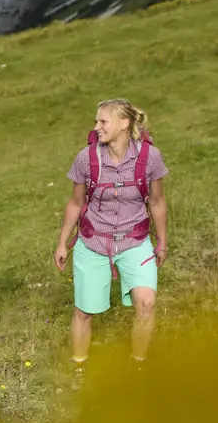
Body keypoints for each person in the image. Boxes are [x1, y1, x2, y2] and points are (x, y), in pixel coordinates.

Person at [53, 98, 169, 376]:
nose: (97, 127)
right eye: (97, 121)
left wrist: (162, 241)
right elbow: (75, 202)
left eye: (103, 121)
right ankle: (80, 369)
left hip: (135, 241)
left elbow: (157, 201)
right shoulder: (87, 158)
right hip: (93, 242)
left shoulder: (150, 157)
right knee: (84, 311)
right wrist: (62, 243)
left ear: (124, 124)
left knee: (147, 302)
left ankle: (137, 367)